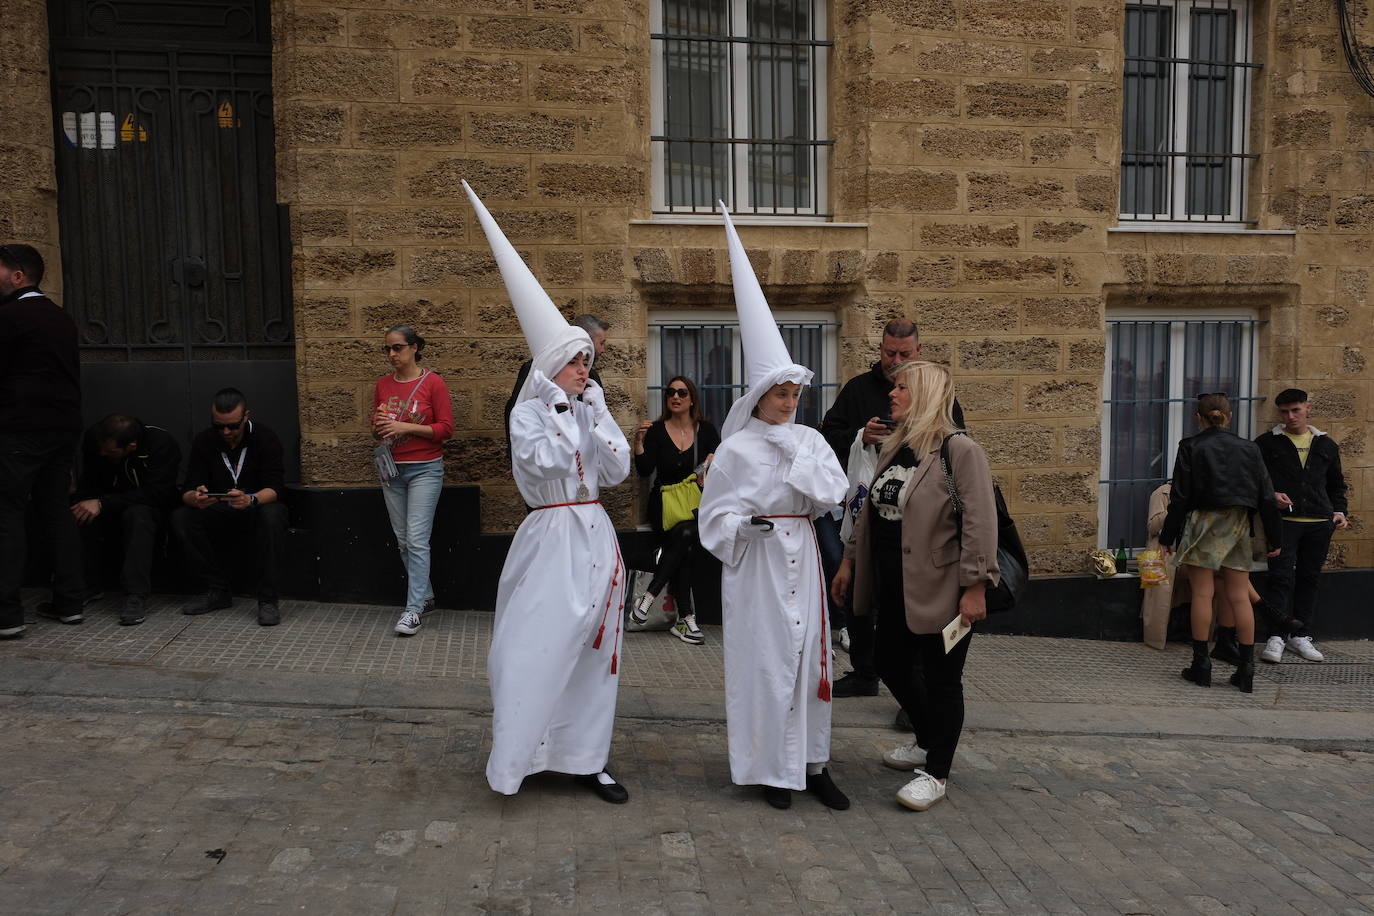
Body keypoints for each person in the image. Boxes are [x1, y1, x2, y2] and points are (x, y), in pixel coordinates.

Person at [465, 181, 632, 804]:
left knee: (594, 650)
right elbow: (539, 466)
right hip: (551, 534)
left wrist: (595, 416)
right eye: (575, 361)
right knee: (537, 645)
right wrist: (567, 413)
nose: (585, 370)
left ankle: (586, 756)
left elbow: (615, 471)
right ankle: (523, 753)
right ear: (550, 366)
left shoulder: (590, 406)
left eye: (589, 362)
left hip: (592, 531)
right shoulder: (529, 414)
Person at [698, 207, 849, 811]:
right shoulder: (733, 449)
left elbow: (832, 493)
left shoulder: (807, 440)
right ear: (761, 395)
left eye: (795, 394)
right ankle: (769, 768)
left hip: (802, 557)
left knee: (811, 658)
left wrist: (796, 454)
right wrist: (743, 525)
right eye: (780, 394)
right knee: (765, 664)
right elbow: (713, 518)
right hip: (758, 565)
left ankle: (813, 763)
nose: (789, 402)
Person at [831, 361, 998, 812]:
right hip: (893, 586)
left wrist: (976, 586)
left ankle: (937, 771)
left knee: (943, 679)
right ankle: (927, 740)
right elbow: (868, 511)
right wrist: (848, 563)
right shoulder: (896, 446)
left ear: (924, 394)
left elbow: (981, 522)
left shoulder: (959, 450)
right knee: (888, 661)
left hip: (944, 588)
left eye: (902, 387)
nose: (892, 393)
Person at [818, 319, 964, 698]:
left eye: (904, 355)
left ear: (919, 351)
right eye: (888, 353)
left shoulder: (937, 394)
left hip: (920, 523)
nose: (894, 361)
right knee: (858, 596)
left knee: (911, 609)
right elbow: (826, 435)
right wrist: (859, 436)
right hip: (869, 511)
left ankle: (914, 688)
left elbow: (953, 447)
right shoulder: (858, 390)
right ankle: (866, 672)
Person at [1158, 393, 1281, 693]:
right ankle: (1246, 669)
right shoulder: (1250, 448)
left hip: (1203, 523)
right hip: (1239, 525)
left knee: (1203, 593)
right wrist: (1275, 538)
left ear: (1198, 417)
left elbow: (1180, 497)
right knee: (1239, 596)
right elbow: (1266, 495)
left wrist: (1167, 537)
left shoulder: (1190, 446)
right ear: (1230, 416)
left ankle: (1201, 665)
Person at [0, 243, 86, 638]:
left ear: (18, 277)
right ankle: (70, 602)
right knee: (55, 511)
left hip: (20, 430)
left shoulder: (11, 316)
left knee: (7, 514)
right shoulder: (60, 318)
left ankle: (7, 614)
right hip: (63, 429)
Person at [171, 388, 289, 627]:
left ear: (246, 416)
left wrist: (251, 499)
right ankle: (217, 590)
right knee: (181, 518)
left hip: (255, 506)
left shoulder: (265, 438)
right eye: (219, 426)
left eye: (233, 426)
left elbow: (276, 488)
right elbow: (187, 489)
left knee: (273, 516)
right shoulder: (205, 441)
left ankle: (267, 599)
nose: (225, 432)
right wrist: (197, 497)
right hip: (219, 507)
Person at [1255, 388, 1350, 664]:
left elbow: (1336, 484)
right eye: (1285, 412)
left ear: (1308, 408)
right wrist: (1271, 496)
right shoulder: (1266, 443)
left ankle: (1302, 635)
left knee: (1310, 578)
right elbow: (1256, 480)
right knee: (1280, 578)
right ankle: (1276, 635)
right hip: (1284, 523)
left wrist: (1339, 512)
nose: (1290, 416)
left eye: (1296, 410)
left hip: (1320, 522)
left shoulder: (1326, 444)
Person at [372, 324, 454, 637]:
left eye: (398, 348)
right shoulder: (383, 385)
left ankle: (413, 610)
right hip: (391, 468)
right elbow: (377, 428)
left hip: (425, 469)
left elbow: (446, 429)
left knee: (417, 538)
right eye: (388, 349)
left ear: (414, 347)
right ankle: (426, 596)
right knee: (403, 539)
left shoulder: (433, 383)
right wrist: (381, 425)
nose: (392, 354)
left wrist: (404, 427)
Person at [631, 375, 721, 645]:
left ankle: (649, 597)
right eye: (671, 392)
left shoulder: (705, 430)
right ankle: (685, 619)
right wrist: (638, 443)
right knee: (685, 545)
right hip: (665, 503)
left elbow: (723, 469)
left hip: (695, 505)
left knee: (684, 539)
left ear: (692, 398)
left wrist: (713, 461)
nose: (676, 397)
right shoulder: (658, 430)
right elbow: (646, 471)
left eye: (682, 393)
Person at [72, 414, 182, 626]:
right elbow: (89, 482)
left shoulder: (161, 444)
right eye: (101, 448)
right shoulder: (96, 441)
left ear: (132, 445)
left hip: (149, 508)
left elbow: (159, 494)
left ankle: (135, 596)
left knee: (137, 515)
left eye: (111, 451)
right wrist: (88, 502)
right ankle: (84, 586)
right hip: (108, 502)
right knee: (80, 509)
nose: (103, 453)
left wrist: (104, 503)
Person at [503, 313, 608, 464]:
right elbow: (515, 408)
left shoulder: (591, 380)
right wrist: (516, 456)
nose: (582, 371)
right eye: (601, 343)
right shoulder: (526, 411)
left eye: (585, 364)